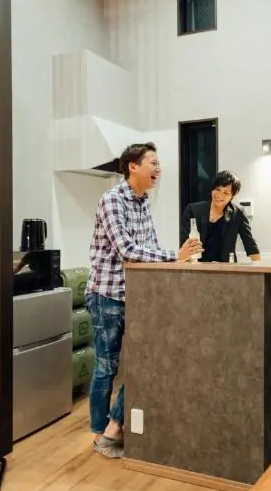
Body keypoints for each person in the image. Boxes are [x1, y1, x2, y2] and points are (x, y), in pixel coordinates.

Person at [86, 142, 202, 459]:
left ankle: (114, 425)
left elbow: (150, 247)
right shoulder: (113, 200)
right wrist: (175, 256)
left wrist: (177, 258)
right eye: (153, 162)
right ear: (132, 166)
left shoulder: (143, 202)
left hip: (138, 295)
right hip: (107, 295)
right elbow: (127, 250)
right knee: (106, 367)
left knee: (144, 361)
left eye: (158, 163)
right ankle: (99, 434)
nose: (158, 168)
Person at [180, 170, 261, 263]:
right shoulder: (192, 210)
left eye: (226, 193)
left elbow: (250, 244)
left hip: (227, 267)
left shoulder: (238, 213)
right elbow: (185, 244)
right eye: (218, 189)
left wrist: (259, 267)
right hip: (197, 265)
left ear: (232, 196)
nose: (219, 195)